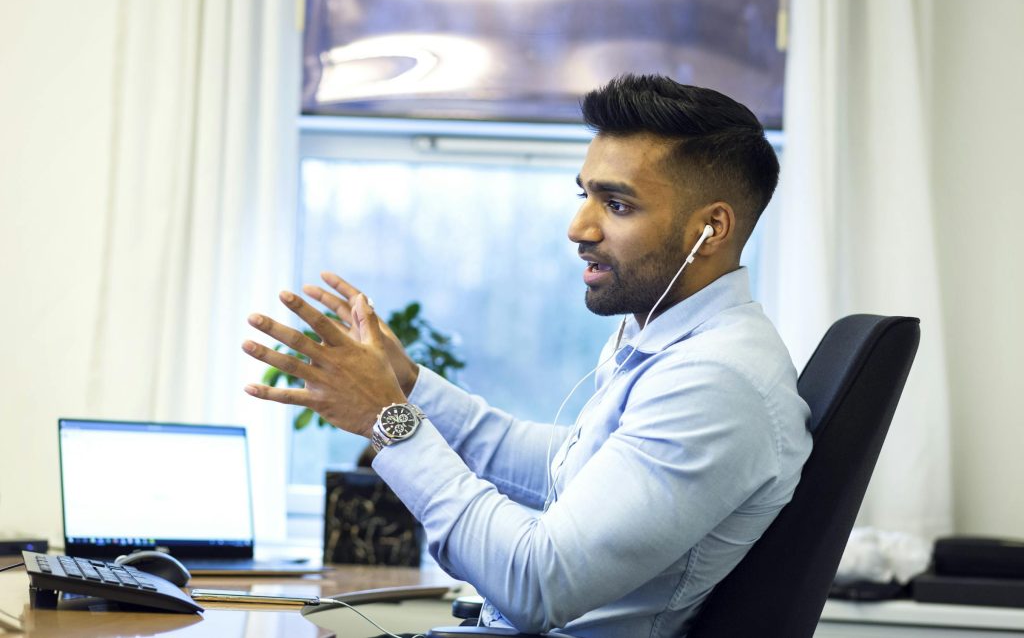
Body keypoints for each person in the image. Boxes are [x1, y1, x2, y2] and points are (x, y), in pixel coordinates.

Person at [241, 74, 813, 637]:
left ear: (710, 229)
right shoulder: (675, 341)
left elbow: (536, 584)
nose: (578, 228)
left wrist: (386, 420)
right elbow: (562, 468)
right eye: (584, 194)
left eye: (616, 205)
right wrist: (410, 387)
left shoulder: (716, 382)